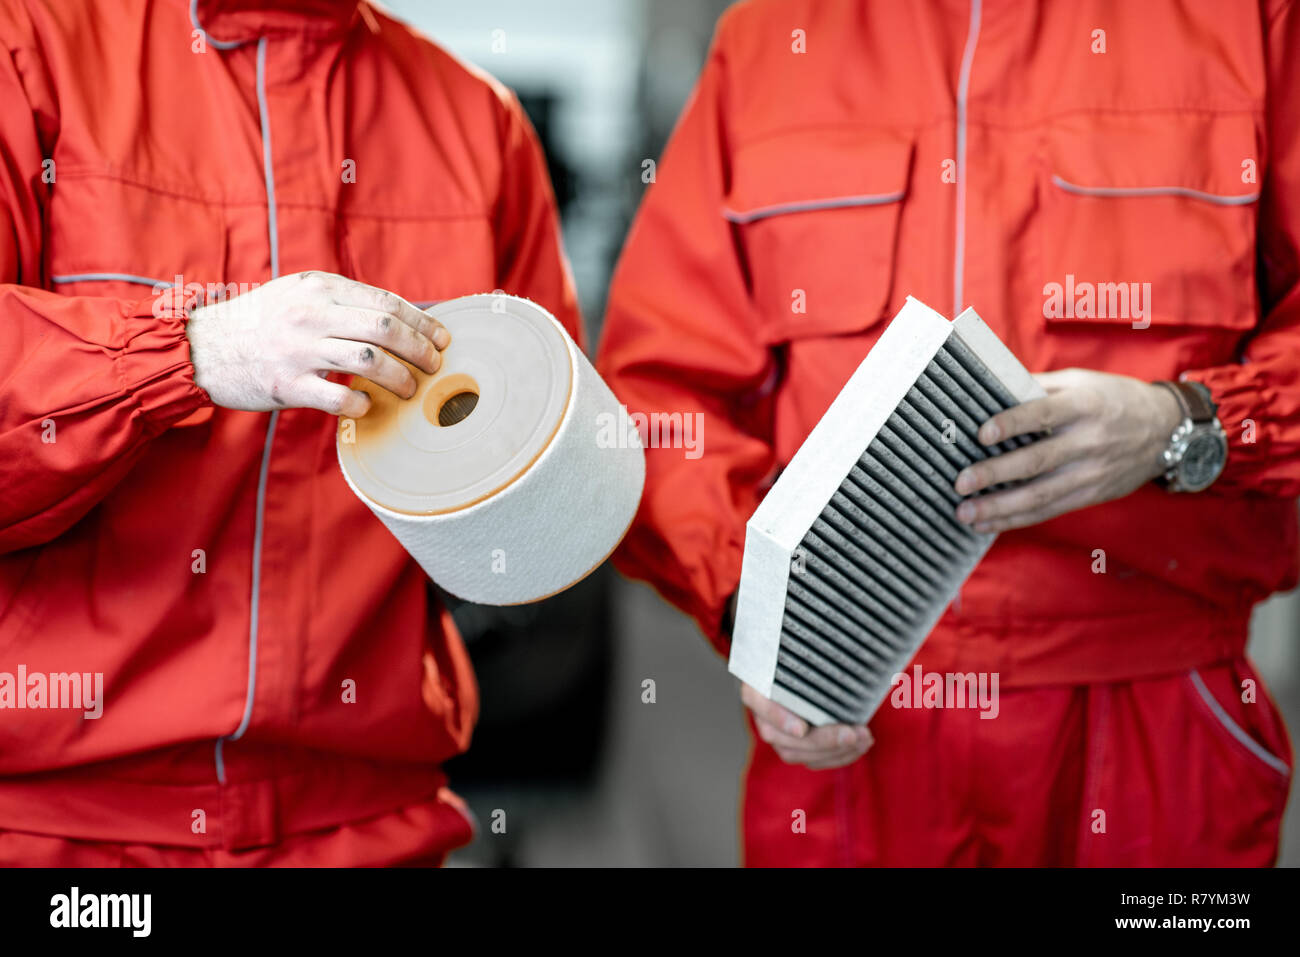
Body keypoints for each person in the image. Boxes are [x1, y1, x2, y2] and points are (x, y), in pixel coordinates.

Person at [598, 0, 1298, 866]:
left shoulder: (1246, 21)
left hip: (1155, 717)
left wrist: (1187, 423)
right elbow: (657, 397)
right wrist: (762, 609)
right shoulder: (775, 37)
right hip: (855, 718)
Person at [0, 0, 579, 865]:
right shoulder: (31, 47)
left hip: (367, 823)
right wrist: (192, 352)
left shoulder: (478, 126)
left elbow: (548, 510)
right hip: (65, 832)